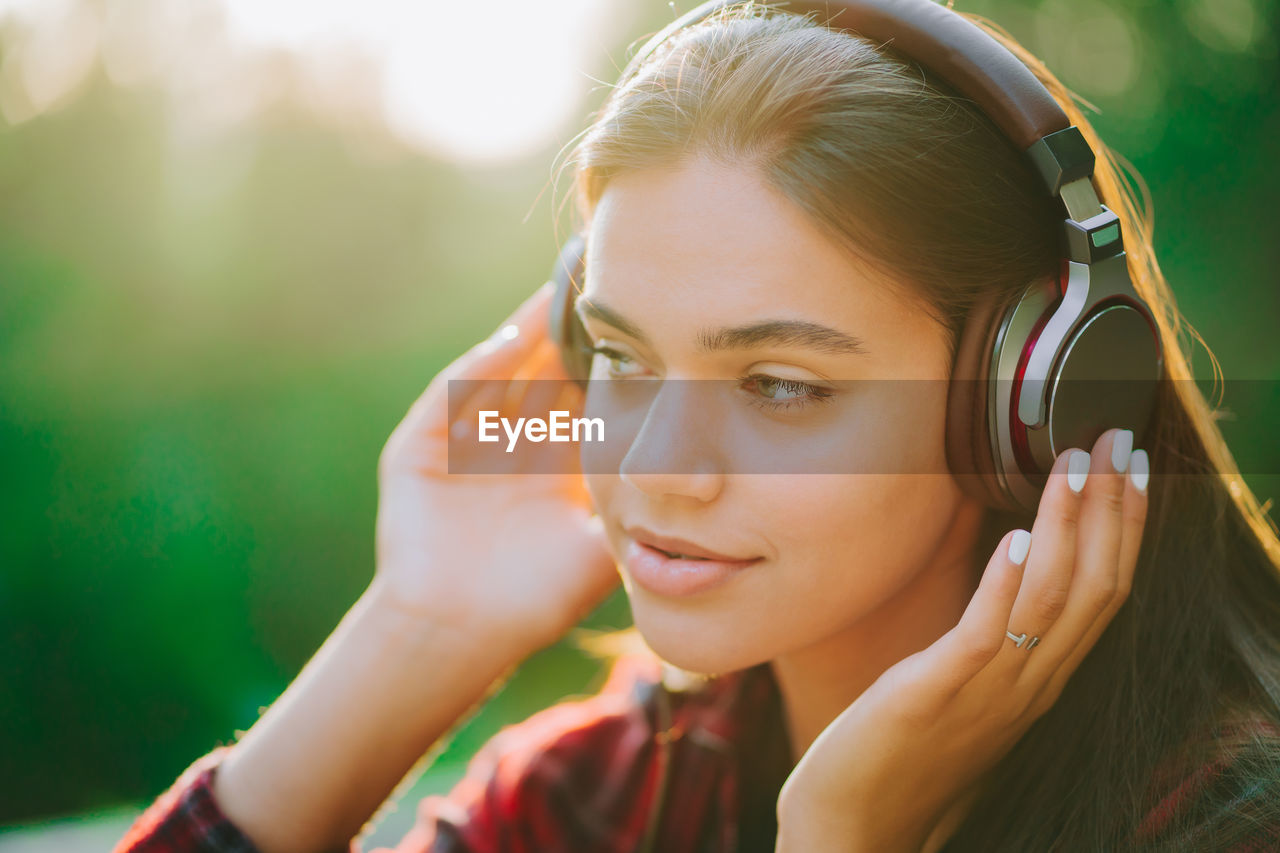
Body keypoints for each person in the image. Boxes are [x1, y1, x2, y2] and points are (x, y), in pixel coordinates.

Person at [113, 2, 1280, 852]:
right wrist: (418, 628)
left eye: (777, 384)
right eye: (618, 357)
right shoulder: (613, 794)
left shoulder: (1230, 819)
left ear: (1027, 403)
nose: (654, 467)